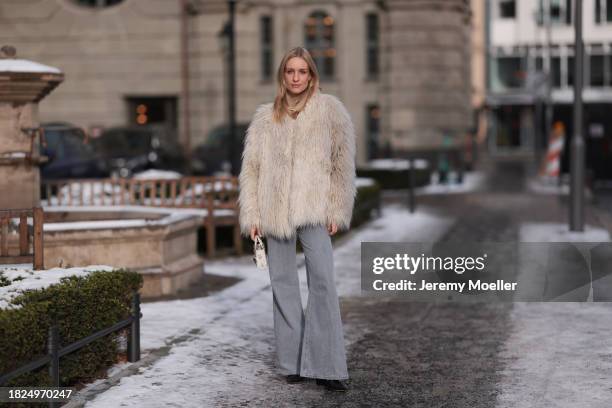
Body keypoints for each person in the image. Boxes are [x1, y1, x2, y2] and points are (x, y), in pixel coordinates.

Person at [238, 46, 356, 392]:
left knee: (323, 282)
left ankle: (328, 365)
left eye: (302, 71)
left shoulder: (331, 111)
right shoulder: (265, 117)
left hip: (314, 209)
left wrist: (337, 208)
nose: (295, 77)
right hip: (274, 210)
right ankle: (292, 362)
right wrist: (253, 214)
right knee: (283, 285)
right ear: (283, 76)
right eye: (290, 71)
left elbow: (342, 165)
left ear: (311, 75)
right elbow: (252, 169)